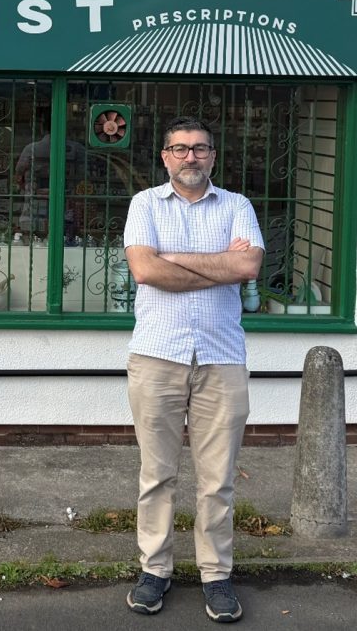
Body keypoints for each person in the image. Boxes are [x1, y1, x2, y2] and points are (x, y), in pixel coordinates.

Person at [121, 116, 264, 624]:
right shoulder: (145, 204)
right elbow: (145, 270)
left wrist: (175, 261)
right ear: (165, 157)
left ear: (212, 156)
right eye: (180, 149)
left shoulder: (237, 207)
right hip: (157, 355)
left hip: (222, 358)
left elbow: (247, 268)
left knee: (217, 479)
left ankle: (216, 575)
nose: (190, 157)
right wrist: (214, 264)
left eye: (200, 149)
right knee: (156, 474)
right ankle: (155, 569)